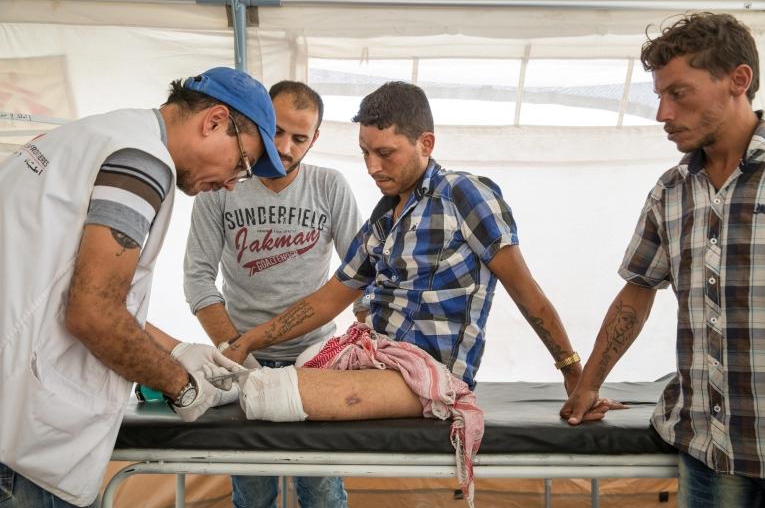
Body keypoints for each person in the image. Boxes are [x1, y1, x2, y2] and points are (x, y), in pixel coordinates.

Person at [0, 66, 286, 508]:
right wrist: (181, 385)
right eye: (242, 164)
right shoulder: (142, 162)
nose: (232, 183)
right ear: (213, 121)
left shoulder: (99, 134)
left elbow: (67, 291)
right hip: (21, 444)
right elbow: (92, 312)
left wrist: (177, 349)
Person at [219, 81, 582, 421]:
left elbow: (525, 290)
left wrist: (573, 373)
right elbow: (328, 300)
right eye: (364, 152)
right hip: (379, 361)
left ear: (426, 143)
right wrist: (244, 342)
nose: (373, 167)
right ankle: (202, 380)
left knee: (265, 392)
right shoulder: (383, 218)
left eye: (386, 153)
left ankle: (198, 389)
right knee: (272, 373)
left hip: (432, 375)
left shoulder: (462, 194)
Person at [559, 12, 765, 508]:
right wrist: (588, 385)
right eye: (659, 96)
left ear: (739, 80)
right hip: (711, 447)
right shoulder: (670, 193)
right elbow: (637, 290)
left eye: (679, 93)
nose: (662, 114)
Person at [184, 81, 361, 508]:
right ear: (260, 124)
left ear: (314, 138)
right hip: (242, 361)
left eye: (300, 138)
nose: (284, 147)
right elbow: (197, 278)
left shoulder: (330, 186)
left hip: (315, 359)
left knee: (320, 489)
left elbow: (361, 274)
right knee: (253, 488)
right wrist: (238, 353)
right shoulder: (223, 184)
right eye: (277, 131)